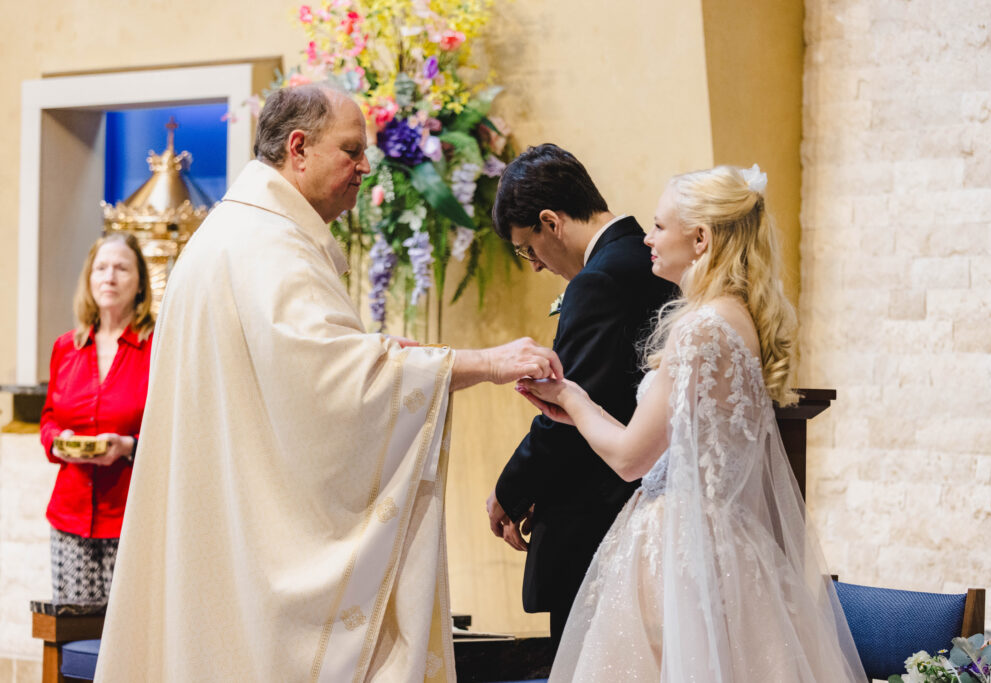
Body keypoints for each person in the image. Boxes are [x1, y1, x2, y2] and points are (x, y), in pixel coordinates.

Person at [94, 84, 561, 683]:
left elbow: (300, 374)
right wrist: (488, 363)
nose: (366, 166)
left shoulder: (229, 233)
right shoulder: (270, 246)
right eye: (352, 150)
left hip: (223, 524)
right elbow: (340, 387)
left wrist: (387, 354)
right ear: (298, 148)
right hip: (255, 543)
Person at [518, 165, 866, 681]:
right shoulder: (736, 317)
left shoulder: (699, 329)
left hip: (679, 548)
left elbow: (631, 458)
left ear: (700, 239)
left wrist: (570, 397)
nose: (646, 238)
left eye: (659, 226)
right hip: (729, 543)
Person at [485, 143, 677, 646]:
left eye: (528, 248)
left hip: (599, 522)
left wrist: (510, 490)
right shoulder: (653, 260)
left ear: (551, 222)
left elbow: (572, 408)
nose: (536, 265)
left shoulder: (599, 281)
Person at [39, 233, 154, 606]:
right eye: (101, 268)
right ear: (89, 279)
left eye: (122, 268)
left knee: (127, 642)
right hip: (70, 520)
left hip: (132, 519)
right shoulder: (65, 348)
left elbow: (174, 428)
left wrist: (129, 446)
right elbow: (49, 418)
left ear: (139, 283)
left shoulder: (157, 347)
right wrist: (58, 440)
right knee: (74, 641)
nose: (109, 277)